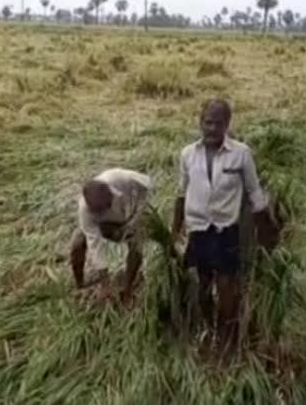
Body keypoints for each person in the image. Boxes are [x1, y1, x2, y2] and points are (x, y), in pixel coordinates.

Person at [172, 99, 278, 351]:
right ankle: (208, 328)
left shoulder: (241, 153)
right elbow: (180, 193)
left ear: (227, 125)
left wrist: (269, 229)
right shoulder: (188, 154)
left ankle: (226, 337)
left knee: (226, 286)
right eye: (207, 122)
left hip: (225, 229)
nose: (211, 129)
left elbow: (255, 194)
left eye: (218, 124)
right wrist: (174, 231)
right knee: (203, 284)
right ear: (200, 122)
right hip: (198, 229)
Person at [69, 168, 152, 306]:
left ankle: (127, 290)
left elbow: (148, 184)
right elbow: (96, 246)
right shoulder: (85, 211)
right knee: (78, 243)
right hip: (105, 225)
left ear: (111, 193)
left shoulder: (123, 178)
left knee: (136, 246)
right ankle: (80, 285)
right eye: (99, 211)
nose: (103, 212)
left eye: (105, 207)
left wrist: (140, 211)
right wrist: (105, 285)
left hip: (130, 214)